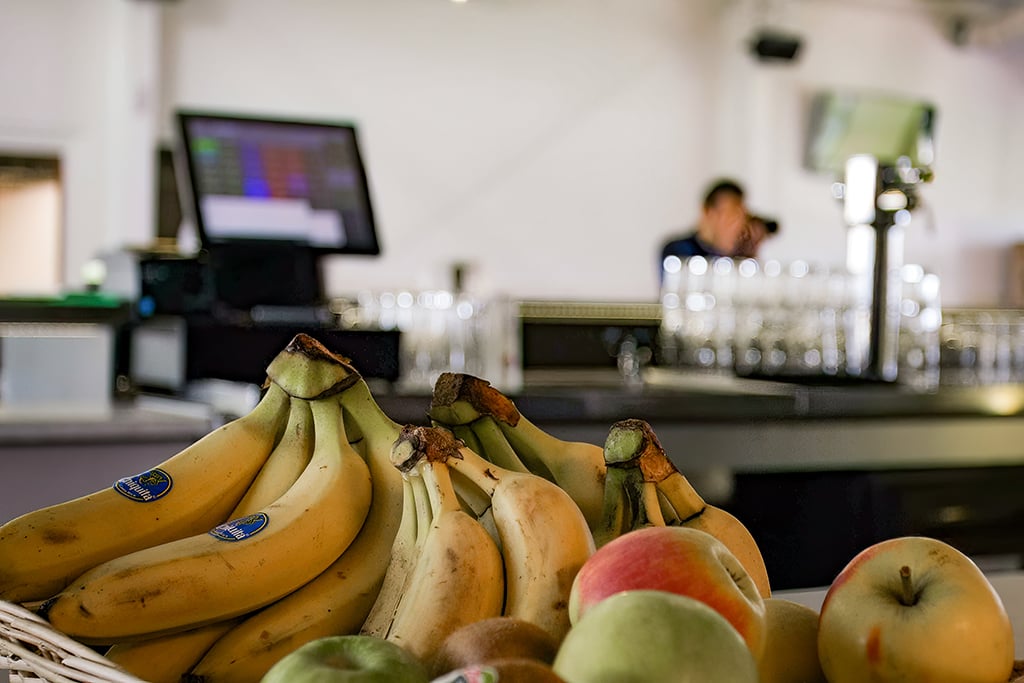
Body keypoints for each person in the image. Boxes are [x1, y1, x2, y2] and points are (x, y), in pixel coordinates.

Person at [660, 179, 750, 267]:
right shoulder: (679, 250)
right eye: (730, 216)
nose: (737, 225)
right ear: (707, 212)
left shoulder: (743, 254)